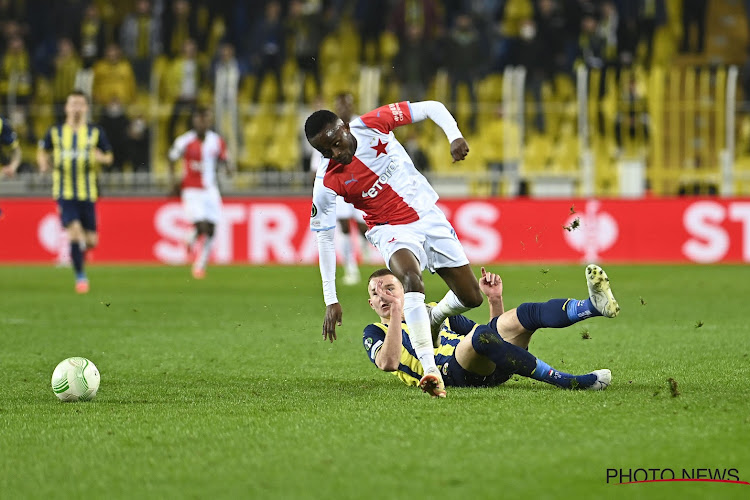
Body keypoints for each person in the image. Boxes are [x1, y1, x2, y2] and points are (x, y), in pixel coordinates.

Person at [306, 99, 479, 399]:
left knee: (471, 297)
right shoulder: (326, 181)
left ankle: (433, 318)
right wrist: (330, 298)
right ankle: (430, 368)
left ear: (345, 128)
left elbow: (431, 107)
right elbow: (325, 237)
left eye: (336, 143)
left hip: (428, 216)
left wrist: (454, 135)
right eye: (325, 151)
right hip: (389, 229)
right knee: (411, 280)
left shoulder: (373, 124)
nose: (335, 154)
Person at [364, 265, 620, 396]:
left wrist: (495, 301)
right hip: (452, 375)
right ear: (371, 303)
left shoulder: (432, 309)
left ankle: (592, 306)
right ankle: (567, 381)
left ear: (405, 289)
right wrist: (398, 312)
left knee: (525, 313)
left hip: (490, 365)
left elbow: (489, 336)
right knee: (479, 338)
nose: (383, 296)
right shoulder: (374, 331)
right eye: (376, 293)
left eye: (389, 288)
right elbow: (388, 363)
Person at [37, 90, 114, 294]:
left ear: (86, 108)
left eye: (80, 104)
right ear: (66, 107)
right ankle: (81, 277)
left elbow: (109, 156)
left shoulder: (95, 132)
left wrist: (101, 158)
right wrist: (43, 164)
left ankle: (76, 256)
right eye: (73, 104)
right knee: (75, 233)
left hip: (88, 193)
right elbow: (42, 151)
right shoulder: (55, 132)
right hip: (64, 192)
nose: (76, 108)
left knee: (91, 241)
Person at [309, 92, 369, 285]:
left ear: (352, 106)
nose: (344, 108)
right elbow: (316, 163)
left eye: (347, 105)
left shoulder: (361, 124)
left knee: (363, 228)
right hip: (340, 186)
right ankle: (351, 269)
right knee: (343, 226)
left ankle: (365, 244)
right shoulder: (328, 131)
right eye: (340, 105)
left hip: (363, 183)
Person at [168, 106, 230, 279]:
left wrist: (228, 167)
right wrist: (174, 181)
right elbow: (171, 158)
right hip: (191, 189)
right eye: (199, 118)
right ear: (194, 120)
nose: (202, 122)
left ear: (209, 121)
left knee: (211, 229)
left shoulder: (216, 141)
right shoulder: (184, 141)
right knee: (202, 224)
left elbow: (225, 158)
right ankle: (192, 235)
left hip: (210, 189)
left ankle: (200, 263)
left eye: (205, 118)